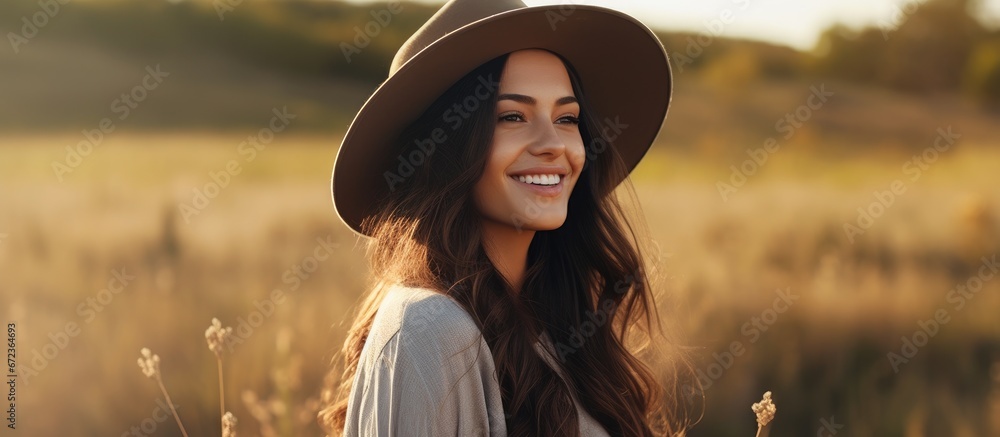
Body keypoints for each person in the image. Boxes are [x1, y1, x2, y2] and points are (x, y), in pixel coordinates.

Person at [319, 0, 695, 435]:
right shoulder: (431, 330)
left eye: (567, 118)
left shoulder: (555, 321)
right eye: (512, 116)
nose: (553, 144)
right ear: (444, 149)